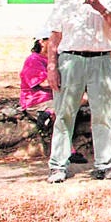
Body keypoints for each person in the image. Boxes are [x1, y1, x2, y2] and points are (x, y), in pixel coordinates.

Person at [45, 0, 111, 183]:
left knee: (103, 114)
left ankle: (105, 164)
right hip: (70, 60)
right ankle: (57, 166)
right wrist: (52, 67)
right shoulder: (65, 3)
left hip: (101, 61)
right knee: (64, 114)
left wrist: (101, 9)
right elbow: (54, 38)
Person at [20, 33, 87, 163]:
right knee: (62, 113)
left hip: (57, 98)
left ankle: (50, 113)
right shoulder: (33, 60)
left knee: (84, 98)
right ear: (41, 42)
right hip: (38, 100)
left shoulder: (58, 59)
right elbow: (44, 82)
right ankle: (68, 151)